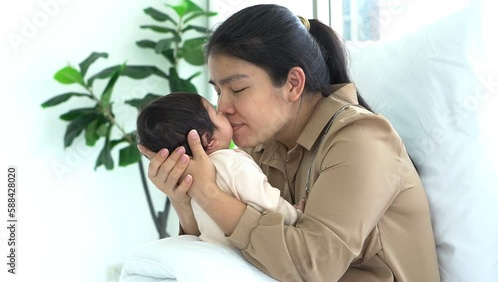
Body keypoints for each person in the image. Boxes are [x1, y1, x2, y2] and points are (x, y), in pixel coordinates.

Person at [138, 4, 441, 282]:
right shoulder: (259, 147)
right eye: (218, 91)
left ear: (293, 84)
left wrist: (209, 194)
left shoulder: (360, 139)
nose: (224, 107)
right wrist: (184, 197)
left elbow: (311, 268)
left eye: (239, 89)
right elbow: (224, 247)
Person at [136, 92, 300, 248]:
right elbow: (267, 201)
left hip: (215, 256)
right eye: (216, 112)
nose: (222, 110)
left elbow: (194, 232)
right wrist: (295, 215)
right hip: (249, 255)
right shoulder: (233, 163)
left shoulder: (188, 179)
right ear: (209, 139)